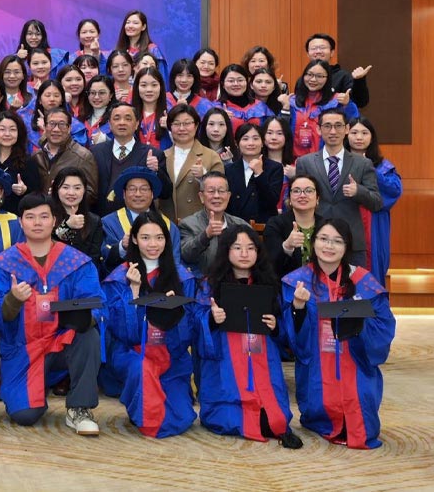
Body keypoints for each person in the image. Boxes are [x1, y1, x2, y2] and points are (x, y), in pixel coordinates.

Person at [0, 194, 102, 432]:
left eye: (43, 216)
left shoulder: (76, 262)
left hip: (61, 343)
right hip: (23, 350)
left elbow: (97, 304)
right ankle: (36, 390)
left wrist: (79, 316)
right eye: (30, 217)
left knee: (87, 335)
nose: (37, 222)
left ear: (54, 221)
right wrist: (13, 300)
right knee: (24, 415)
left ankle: (79, 407)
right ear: (21, 222)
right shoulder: (4, 264)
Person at [281, 218, 395, 449]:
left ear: (346, 247)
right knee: (319, 411)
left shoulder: (364, 281)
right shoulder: (297, 281)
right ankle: (321, 417)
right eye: (323, 239)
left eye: (337, 241)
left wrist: (360, 320)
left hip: (355, 361)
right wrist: (298, 308)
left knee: (363, 423)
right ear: (313, 243)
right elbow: (287, 334)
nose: (329, 246)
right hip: (317, 364)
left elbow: (384, 323)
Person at [194, 227, 302, 448]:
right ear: (226, 251)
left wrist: (275, 327)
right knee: (227, 419)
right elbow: (195, 324)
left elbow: (285, 331)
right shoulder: (209, 285)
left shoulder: (270, 284)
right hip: (227, 368)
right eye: (237, 248)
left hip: (263, 360)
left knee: (278, 420)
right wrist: (211, 318)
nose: (244, 253)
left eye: (250, 248)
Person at [101, 213, 196, 437]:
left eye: (159, 238)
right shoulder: (119, 277)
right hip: (134, 353)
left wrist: (174, 313)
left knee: (180, 418)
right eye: (145, 238)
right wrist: (132, 293)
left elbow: (192, 326)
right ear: (134, 239)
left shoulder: (183, 277)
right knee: (150, 402)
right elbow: (119, 331)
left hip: (172, 353)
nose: (153, 244)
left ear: (167, 240)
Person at [294, 109, 382, 266]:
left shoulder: (362, 163)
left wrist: (358, 191)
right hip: (315, 239)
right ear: (318, 129)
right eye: (327, 126)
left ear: (347, 129)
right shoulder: (305, 162)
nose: (333, 131)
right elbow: (295, 200)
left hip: (352, 242)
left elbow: (376, 202)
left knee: (352, 289)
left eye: (338, 125)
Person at [346, 117, 402, 282]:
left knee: (373, 272)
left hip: (373, 224)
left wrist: (369, 169)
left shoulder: (383, 167)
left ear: (372, 137)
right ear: (346, 134)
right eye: (354, 132)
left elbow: (393, 191)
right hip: (346, 221)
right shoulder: (337, 163)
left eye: (364, 133)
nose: (359, 137)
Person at [89, 103, 171, 216]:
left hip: (140, 223)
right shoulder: (95, 152)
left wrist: (156, 171)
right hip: (102, 223)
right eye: (117, 118)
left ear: (137, 124)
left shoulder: (153, 154)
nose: (122, 122)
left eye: (128, 118)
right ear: (109, 124)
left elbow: (165, 193)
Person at [99, 167, 183, 277]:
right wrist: (122, 247)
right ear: (124, 193)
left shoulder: (169, 227)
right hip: (124, 286)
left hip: (161, 287)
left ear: (152, 194)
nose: (138, 194)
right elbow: (104, 260)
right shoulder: (108, 223)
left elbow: (175, 263)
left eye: (144, 189)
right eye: (132, 189)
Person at [180, 173, 253, 276]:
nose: (216, 196)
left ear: (228, 196)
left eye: (221, 191)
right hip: (203, 284)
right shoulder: (188, 224)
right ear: (201, 196)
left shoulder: (241, 225)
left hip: (235, 284)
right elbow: (186, 255)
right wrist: (206, 235)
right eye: (211, 191)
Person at [162, 103, 224, 224]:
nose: (181, 128)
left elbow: (220, 192)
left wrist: (204, 176)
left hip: (198, 225)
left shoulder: (211, 156)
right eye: (176, 124)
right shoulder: (162, 156)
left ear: (196, 126)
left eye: (187, 123)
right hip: (167, 224)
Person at [288, 59, 360, 159]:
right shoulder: (291, 101)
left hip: (325, 160)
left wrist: (347, 105)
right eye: (309, 74)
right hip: (294, 160)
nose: (313, 79)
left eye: (319, 76)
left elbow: (354, 122)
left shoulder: (336, 101)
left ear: (327, 79)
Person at [0, 111, 42, 215]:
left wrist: (25, 191)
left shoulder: (28, 162)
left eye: (12, 130)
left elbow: (37, 196)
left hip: (15, 220)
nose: (7, 134)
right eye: (2, 129)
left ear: (19, 133)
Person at [264, 175, 327, 279]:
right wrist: (286, 247)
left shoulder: (326, 226)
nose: (302, 195)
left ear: (317, 199)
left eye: (309, 191)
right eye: (296, 191)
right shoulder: (275, 224)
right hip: (286, 286)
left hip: (322, 285)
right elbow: (269, 266)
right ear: (289, 199)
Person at [32, 107, 99, 203]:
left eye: (62, 125)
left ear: (69, 128)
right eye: (51, 124)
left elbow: (91, 194)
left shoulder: (83, 156)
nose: (56, 129)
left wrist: (65, 196)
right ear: (45, 127)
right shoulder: (37, 156)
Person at [225, 122, 284, 224]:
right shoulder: (229, 169)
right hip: (234, 227)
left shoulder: (275, 168)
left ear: (262, 143)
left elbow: (271, 201)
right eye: (245, 139)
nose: (251, 143)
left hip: (264, 228)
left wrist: (259, 174)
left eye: (255, 138)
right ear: (236, 143)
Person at [295, 33, 370, 108]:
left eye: (322, 48)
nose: (318, 51)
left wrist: (359, 81)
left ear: (332, 52)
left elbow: (361, 103)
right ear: (308, 54)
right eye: (313, 48)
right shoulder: (303, 79)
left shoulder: (343, 76)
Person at [49, 168, 105, 268]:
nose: (71, 193)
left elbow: (94, 258)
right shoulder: (47, 216)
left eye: (77, 188)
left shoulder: (94, 221)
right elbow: (46, 249)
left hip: (83, 276)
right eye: (65, 187)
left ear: (84, 190)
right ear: (56, 189)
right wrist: (66, 227)